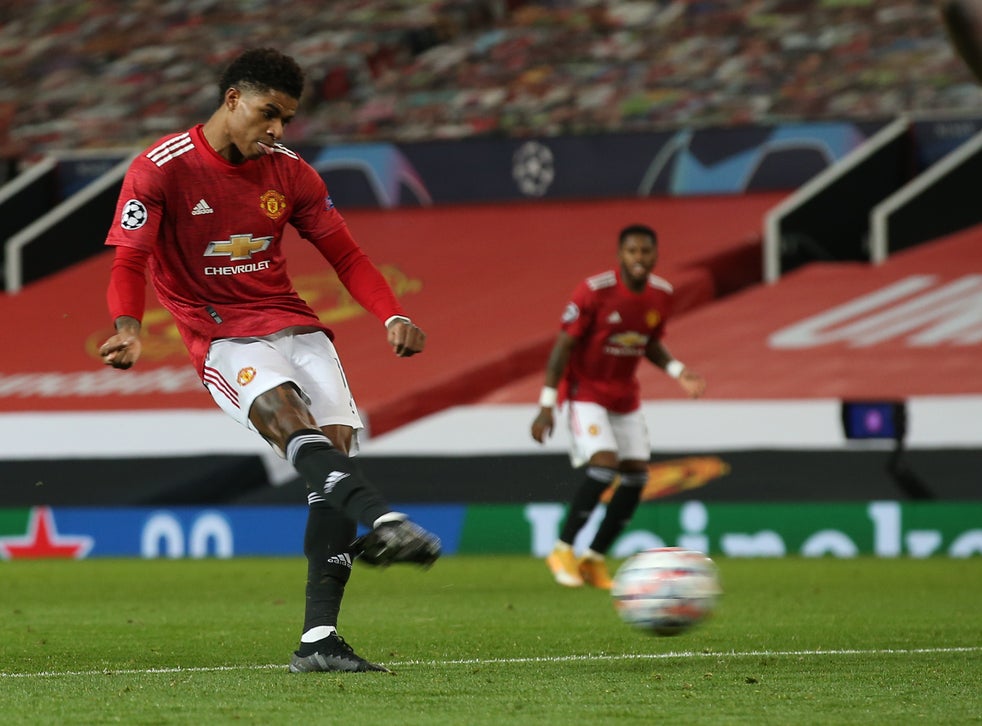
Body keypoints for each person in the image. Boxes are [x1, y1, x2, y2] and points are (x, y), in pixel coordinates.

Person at [98, 48, 440, 673]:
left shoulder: (292, 173)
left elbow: (347, 255)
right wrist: (128, 328)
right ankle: (384, 519)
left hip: (296, 328)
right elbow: (129, 260)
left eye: (286, 118)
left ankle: (319, 641)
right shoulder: (160, 169)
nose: (278, 129)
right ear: (233, 100)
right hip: (221, 335)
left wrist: (391, 314)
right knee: (292, 424)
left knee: (333, 460)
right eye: (269, 113)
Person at [530, 224, 706, 589]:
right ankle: (562, 549)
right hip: (586, 393)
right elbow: (562, 347)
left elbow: (648, 342)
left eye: (646, 251)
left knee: (637, 476)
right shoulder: (594, 291)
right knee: (604, 467)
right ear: (620, 255)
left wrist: (678, 371)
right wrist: (546, 406)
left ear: (655, 255)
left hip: (625, 397)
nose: (639, 258)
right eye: (632, 251)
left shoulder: (661, 294)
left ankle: (593, 558)